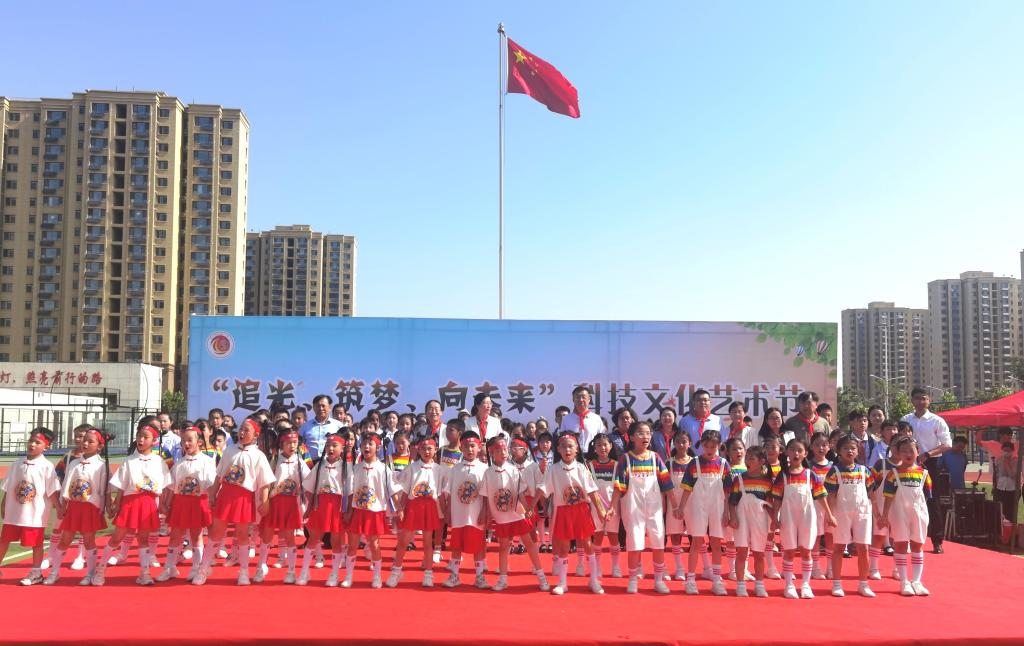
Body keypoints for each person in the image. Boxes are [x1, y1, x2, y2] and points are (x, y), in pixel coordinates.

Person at [193, 416, 275, 586]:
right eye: (241, 429)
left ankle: (243, 572)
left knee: (242, 534)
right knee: (216, 532)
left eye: (247, 430)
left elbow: (265, 483)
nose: (242, 432)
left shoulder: (259, 455)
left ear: (255, 435)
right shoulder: (230, 450)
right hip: (226, 495)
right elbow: (219, 475)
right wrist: (213, 494)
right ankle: (204, 569)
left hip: (244, 497)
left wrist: (265, 501)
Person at [90, 420, 172, 586]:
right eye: (139, 436)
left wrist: (163, 505)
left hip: (149, 503)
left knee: (143, 539)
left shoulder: (159, 461)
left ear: (154, 441)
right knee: (116, 538)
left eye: (145, 437)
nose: (141, 440)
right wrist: (115, 504)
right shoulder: (129, 461)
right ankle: (100, 570)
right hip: (130, 503)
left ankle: (144, 573)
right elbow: (121, 486)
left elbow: (165, 486)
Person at [607, 421, 674, 594]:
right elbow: (619, 486)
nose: (646, 437)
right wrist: (612, 507)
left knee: (658, 542)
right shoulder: (625, 459)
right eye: (641, 433)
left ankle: (658, 581)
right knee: (634, 543)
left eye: (648, 433)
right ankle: (632, 580)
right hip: (633, 507)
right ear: (632, 437)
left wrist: (674, 506)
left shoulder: (655, 458)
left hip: (654, 507)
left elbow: (666, 483)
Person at [536, 432, 606, 595]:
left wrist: (601, 511)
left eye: (570, 446)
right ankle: (562, 582)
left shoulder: (582, 468)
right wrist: (532, 506)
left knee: (587, 543)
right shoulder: (553, 469)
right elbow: (542, 489)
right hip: (563, 510)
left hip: (581, 509)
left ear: (576, 450)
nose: (567, 450)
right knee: (564, 546)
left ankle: (594, 580)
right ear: (558, 449)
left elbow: (592, 491)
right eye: (563, 446)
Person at [480, 437, 549, 591]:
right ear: (492, 453)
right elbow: (485, 497)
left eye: (505, 449)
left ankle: (541, 576)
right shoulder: (488, 473)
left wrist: (528, 508)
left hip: (517, 513)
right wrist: (487, 515)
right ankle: (503, 579)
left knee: (529, 543)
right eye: (498, 450)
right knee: (504, 546)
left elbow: (520, 493)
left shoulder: (513, 470)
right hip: (501, 516)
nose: (503, 453)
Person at [770, 438, 836, 600]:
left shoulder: (810, 475)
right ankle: (789, 585)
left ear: (805, 453)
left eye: (799, 450)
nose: (796, 453)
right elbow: (777, 498)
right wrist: (774, 517)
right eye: (792, 450)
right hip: (788, 517)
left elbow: (821, 496)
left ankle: (806, 585)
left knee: (806, 550)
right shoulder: (782, 476)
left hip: (807, 516)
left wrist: (829, 515)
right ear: (787, 453)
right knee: (789, 551)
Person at [46, 427, 111, 586]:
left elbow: (105, 491)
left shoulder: (102, 466)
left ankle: (90, 574)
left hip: (90, 508)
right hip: (73, 507)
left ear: (100, 446)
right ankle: (54, 572)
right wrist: (62, 506)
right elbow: (66, 486)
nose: (85, 443)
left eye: (90, 441)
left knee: (89, 541)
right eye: (84, 440)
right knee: (65, 540)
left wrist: (107, 507)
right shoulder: (74, 463)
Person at [0, 428, 60, 586]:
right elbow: (8, 487)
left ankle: (36, 573)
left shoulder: (46, 466)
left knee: (36, 543)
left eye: (37, 442)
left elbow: (52, 490)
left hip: (34, 514)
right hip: (14, 512)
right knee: (4, 539)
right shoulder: (17, 463)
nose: (32, 444)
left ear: (46, 446)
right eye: (31, 441)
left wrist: (59, 507)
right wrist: (4, 504)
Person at [158, 426, 217, 583]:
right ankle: (169, 568)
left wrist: (212, 502)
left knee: (196, 535)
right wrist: (165, 503)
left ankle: (196, 569)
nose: (186, 443)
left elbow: (211, 485)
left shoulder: (207, 461)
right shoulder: (179, 463)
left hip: (199, 502)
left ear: (199, 441)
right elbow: (171, 486)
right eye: (183, 440)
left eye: (190, 440)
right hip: (180, 502)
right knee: (175, 535)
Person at [254, 424, 309, 584]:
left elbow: (308, 482)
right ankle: (261, 566)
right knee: (267, 535)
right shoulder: (274, 460)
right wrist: (264, 501)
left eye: (295, 442)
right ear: (281, 444)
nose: (292, 446)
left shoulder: (300, 462)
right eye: (288, 443)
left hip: (291, 504)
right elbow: (265, 482)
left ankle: (291, 571)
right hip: (273, 502)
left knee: (289, 537)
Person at [678, 429, 731, 596]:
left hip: (718, 506)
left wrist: (727, 512)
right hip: (698, 506)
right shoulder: (694, 463)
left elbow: (728, 491)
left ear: (719, 446)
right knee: (696, 541)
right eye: (707, 446)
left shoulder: (724, 464)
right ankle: (690, 580)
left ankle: (716, 581)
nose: (709, 450)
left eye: (713, 447)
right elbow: (687, 488)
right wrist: (681, 507)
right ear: (701, 445)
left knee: (716, 543)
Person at [901, 387, 952, 553]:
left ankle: (937, 541)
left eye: (923, 398)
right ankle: (906, 539)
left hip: (930, 463)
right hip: (907, 463)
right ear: (912, 401)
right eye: (917, 398)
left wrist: (927, 454)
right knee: (906, 500)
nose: (920, 402)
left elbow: (947, 444)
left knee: (932, 501)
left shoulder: (937, 421)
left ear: (929, 400)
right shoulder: (905, 419)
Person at [825, 435, 876, 598]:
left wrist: (877, 513)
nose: (849, 451)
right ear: (838, 451)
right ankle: (836, 584)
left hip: (862, 512)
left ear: (858, 451)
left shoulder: (864, 470)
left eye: (853, 448)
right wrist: (830, 514)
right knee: (839, 547)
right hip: (841, 512)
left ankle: (863, 584)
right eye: (845, 448)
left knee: (863, 548)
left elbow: (871, 493)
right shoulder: (834, 471)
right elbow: (831, 495)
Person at [388, 437, 443, 588]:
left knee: (427, 542)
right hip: (412, 506)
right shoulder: (412, 468)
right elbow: (405, 491)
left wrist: (443, 511)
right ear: (418, 450)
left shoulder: (439, 470)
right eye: (423, 448)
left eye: (430, 449)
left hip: (430, 507)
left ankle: (428, 574)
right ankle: (396, 571)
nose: (427, 451)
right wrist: (400, 508)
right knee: (403, 541)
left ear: (435, 450)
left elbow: (440, 494)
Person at [881, 436, 932, 596]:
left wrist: (923, 514)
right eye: (903, 451)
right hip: (899, 513)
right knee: (901, 544)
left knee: (917, 544)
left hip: (918, 512)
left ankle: (916, 581)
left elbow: (927, 496)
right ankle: (904, 581)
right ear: (897, 453)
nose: (908, 454)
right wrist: (884, 516)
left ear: (918, 452)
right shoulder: (893, 474)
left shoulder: (924, 473)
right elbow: (888, 496)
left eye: (911, 450)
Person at [442, 431, 490, 589]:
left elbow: (486, 494)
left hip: (476, 515)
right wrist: (448, 511)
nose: (469, 449)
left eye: (472, 446)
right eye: (466, 446)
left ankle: (479, 576)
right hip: (458, 515)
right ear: (461, 448)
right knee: (456, 546)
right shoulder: (455, 469)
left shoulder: (484, 469)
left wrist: (485, 511)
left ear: (479, 447)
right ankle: (454, 575)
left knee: (478, 546)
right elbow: (449, 493)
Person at [342, 433, 391, 589]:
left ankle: (377, 576)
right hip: (358, 511)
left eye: (370, 444)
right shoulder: (356, 468)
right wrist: (348, 511)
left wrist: (397, 510)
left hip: (375, 512)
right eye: (364, 444)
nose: (367, 447)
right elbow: (350, 491)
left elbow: (392, 490)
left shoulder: (383, 469)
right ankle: (349, 576)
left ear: (378, 447)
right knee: (352, 545)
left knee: (374, 544)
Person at [299, 434, 347, 587]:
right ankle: (304, 571)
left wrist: (347, 511)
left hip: (337, 506)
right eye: (328, 445)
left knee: (336, 540)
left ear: (342, 448)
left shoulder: (346, 467)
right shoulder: (319, 465)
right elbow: (309, 487)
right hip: (320, 505)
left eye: (334, 446)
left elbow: (350, 491)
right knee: (313, 537)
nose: (331, 448)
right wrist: (309, 507)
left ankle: (334, 574)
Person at [729, 445, 773, 598]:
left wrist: (775, 520)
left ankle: (759, 585)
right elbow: (732, 502)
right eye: (747, 457)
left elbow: (769, 504)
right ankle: (740, 585)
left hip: (760, 519)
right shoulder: (739, 479)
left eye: (751, 458)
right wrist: (733, 517)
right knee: (741, 552)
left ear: (762, 461)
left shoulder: (767, 482)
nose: (747, 460)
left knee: (759, 553)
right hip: (742, 518)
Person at [585, 433, 621, 578]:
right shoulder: (589, 465)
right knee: (597, 536)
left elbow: (619, 488)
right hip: (595, 507)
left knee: (613, 536)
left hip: (613, 506)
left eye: (605, 444)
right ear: (594, 447)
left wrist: (613, 506)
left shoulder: (617, 465)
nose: (602, 448)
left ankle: (616, 567)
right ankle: (597, 567)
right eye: (599, 445)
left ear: (610, 446)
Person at [666, 431, 693, 580]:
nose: (681, 445)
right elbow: (665, 485)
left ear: (689, 443)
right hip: (674, 503)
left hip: (692, 502)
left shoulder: (695, 462)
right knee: (675, 535)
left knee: (696, 534)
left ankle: (706, 568)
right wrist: (673, 505)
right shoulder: (668, 462)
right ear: (674, 444)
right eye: (678, 442)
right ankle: (679, 569)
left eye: (684, 441)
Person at [808, 432, 833, 579]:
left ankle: (830, 567)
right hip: (815, 505)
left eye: (824, 445)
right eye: (817, 445)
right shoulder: (808, 465)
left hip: (831, 506)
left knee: (830, 535)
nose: (821, 448)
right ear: (811, 447)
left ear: (829, 447)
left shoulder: (833, 466)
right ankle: (815, 568)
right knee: (816, 535)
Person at [557, 385, 605, 457]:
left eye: (583, 397)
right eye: (577, 397)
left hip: (592, 456)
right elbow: (562, 440)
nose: (581, 400)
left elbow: (602, 439)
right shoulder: (566, 419)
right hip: (572, 456)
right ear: (573, 400)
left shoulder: (596, 418)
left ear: (589, 399)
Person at [300, 394, 346, 461]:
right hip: (309, 463)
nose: (321, 408)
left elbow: (344, 445)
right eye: (318, 406)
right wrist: (307, 461)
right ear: (313, 408)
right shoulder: (305, 426)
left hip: (332, 463)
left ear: (330, 407)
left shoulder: (338, 426)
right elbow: (300, 445)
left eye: (323, 406)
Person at [680, 390, 724, 455]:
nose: (702, 402)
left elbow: (722, 442)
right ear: (693, 403)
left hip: (713, 459)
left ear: (710, 402)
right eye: (699, 400)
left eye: (705, 400)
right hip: (692, 459)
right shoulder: (685, 421)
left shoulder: (717, 420)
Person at [992, 442, 1021, 521]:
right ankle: (1000, 527)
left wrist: (1006, 462)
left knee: (1010, 512)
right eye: (1005, 450)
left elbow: (1012, 474)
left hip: (1012, 490)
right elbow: (996, 475)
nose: (1006, 452)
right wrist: (994, 486)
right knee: (999, 511)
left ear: (1012, 451)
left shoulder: (1016, 461)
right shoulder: (998, 460)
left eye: (1008, 450)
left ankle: (1010, 527)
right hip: (1000, 488)